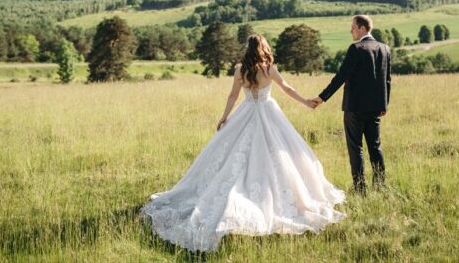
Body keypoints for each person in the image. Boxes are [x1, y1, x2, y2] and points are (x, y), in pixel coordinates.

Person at [140, 34, 347, 252]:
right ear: (264, 48)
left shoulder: (241, 70)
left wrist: (224, 117)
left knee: (235, 155)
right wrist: (307, 102)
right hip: (269, 112)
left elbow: (232, 96)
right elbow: (286, 88)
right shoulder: (269, 69)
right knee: (278, 154)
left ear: (247, 49)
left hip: (246, 112)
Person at [311, 15, 392, 197]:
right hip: (375, 108)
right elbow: (387, 80)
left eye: (353, 27)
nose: (351, 30)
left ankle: (360, 188)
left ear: (362, 29)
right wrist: (384, 104)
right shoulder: (385, 49)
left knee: (356, 148)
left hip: (354, 107)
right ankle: (380, 186)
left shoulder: (356, 49)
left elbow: (341, 76)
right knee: (375, 147)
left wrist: (322, 98)